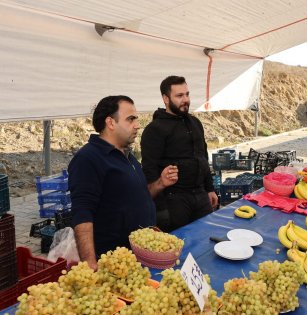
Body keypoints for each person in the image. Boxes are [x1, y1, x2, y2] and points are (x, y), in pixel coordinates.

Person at [69, 95, 178, 270]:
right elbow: (82, 213)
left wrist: (160, 184)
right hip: (117, 264)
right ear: (111, 123)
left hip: (142, 256)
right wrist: (89, 263)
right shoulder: (88, 159)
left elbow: (138, 195)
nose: (137, 125)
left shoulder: (128, 156)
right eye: (130, 119)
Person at [141, 75, 218, 232]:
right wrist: (161, 210)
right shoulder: (154, 129)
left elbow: (203, 156)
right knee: (180, 246)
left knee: (207, 237)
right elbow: (150, 170)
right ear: (166, 98)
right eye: (179, 95)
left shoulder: (195, 123)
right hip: (174, 200)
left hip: (200, 195)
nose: (186, 100)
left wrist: (210, 188)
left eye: (187, 94)